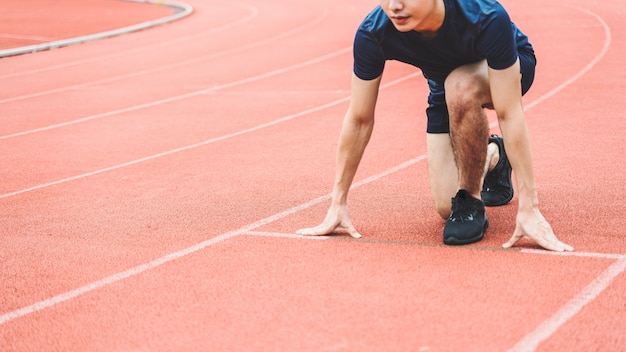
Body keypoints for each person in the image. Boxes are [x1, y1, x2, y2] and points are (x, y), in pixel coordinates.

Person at [296, 0, 573, 252]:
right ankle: (493, 155)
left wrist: (529, 208)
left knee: (460, 85)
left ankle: (471, 200)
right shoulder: (374, 32)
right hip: (443, 88)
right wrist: (338, 202)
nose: (394, 6)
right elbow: (359, 119)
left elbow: (509, 113)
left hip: (507, 67)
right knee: (444, 205)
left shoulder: (486, 17)